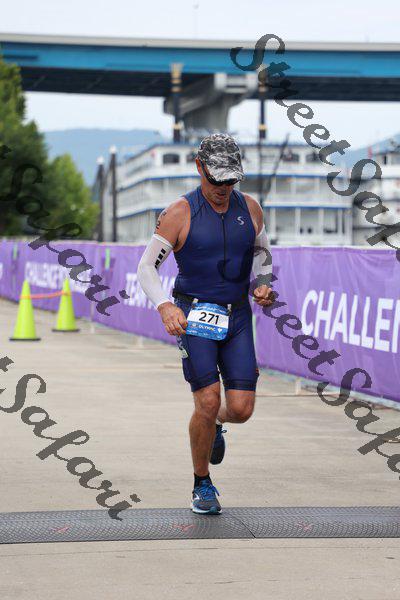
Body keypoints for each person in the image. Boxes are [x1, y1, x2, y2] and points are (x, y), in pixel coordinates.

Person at [137, 133, 275, 515]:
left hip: (238, 315)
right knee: (208, 397)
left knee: (241, 408)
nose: (223, 188)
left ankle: (213, 423)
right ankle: (202, 483)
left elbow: (262, 251)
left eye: (230, 180)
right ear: (200, 168)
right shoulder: (180, 212)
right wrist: (165, 306)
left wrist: (264, 282)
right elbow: (146, 267)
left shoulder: (250, 208)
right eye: (216, 179)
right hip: (194, 314)